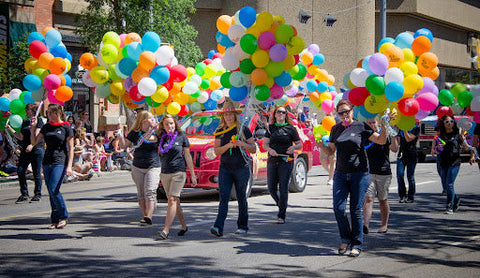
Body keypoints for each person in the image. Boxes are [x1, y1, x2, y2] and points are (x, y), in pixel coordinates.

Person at [317, 99, 387, 257]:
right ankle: (345, 238)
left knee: (355, 210)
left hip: (359, 173)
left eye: (346, 111)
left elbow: (381, 140)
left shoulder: (360, 126)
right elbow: (330, 152)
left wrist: (384, 126)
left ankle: (357, 244)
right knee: (339, 208)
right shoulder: (335, 129)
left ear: (352, 110)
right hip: (341, 174)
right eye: (340, 112)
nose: (344, 115)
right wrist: (321, 145)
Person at [210, 102, 257, 237]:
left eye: (230, 114)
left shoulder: (243, 129)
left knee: (241, 196)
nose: (228, 117)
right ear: (223, 116)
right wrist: (229, 146)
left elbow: (253, 148)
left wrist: (241, 144)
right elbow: (217, 151)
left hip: (241, 168)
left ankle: (242, 225)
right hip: (225, 169)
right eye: (226, 114)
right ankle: (218, 226)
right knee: (223, 197)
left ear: (235, 115)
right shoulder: (220, 131)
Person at [30, 103, 74, 229]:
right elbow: (34, 142)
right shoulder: (46, 127)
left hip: (60, 161)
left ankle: (63, 216)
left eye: (50, 112)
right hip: (47, 161)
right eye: (47, 112)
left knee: (54, 189)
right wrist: (33, 129)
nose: (48, 115)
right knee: (50, 191)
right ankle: (55, 219)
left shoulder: (66, 127)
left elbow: (71, 149)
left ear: (57, 113)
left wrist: (69, 166)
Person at [157, 114, 196, 240]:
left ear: (175, 124)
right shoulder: (160, 138)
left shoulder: (181, 136)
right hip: (165, 173)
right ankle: (184, 226)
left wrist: (193, 174)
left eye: (172, 123)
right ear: (163, 126)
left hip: (178, 172)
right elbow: (147, 141)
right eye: (167, 124)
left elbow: (188, 156)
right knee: (175, 202)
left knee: (172, 200)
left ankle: (166, 230)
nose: (170, 126)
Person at [119, 111, 161, 225]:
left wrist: (156, 129)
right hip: (137, 166)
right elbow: (124, 146)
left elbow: (150, 139)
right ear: (143, 121)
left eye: (153, 118)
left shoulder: (156, 133)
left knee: (150, 191)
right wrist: (119, 135)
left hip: (153, 166)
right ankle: (144, 216)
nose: (152, 120)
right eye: (150, 118)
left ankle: (149, 216)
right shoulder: (135, 132)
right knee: (141, 193)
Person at [262, 106, 303, 224]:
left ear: (286, 115)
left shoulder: (291, 129)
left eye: (283, 112)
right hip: (272, 160)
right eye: (278, 112)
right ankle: (281, 204)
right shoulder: (270, 128)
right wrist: (270, 150)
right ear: (274, 115)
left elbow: (299, 144)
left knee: (283, 187)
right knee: (271, 188)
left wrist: (293, 147)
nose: (280, 114)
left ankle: (281, 215)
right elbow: (265, 144)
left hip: (286, 160)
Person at [362, 116, 398, 234]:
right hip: (370, 172)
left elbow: (394, 149)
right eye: (369, 123)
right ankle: (365, 225)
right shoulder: (366, 136)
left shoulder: (384, 135)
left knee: (382, 200)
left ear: (377, 123)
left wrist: (392, 135)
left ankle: (384, 224)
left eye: (373, 122)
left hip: (384, 172)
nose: (372, 124)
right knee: (368, 198)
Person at [6, 103, 45, 203]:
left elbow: (37, 136)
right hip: (25, 149)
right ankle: (24, 193)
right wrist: (10, 129)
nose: (26, 112)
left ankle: (37, 194)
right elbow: (21, 137)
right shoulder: (25, 122)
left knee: (36, 172)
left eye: (27, 110)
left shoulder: (39, 121)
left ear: (33, 111)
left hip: (36, 149)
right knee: (20, 170)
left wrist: (33, 127)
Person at [436, 115, 474, 214]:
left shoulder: (457, 134)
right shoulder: (441, 134)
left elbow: (466, 148)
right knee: (445, 186)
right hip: (443, 162)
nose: (450, 123)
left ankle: (449, 206)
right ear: (443, 124)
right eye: (447, 122)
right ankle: (455, 199)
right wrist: (439, 147)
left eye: (451, 121)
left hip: (454, 162)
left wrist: (462, 138)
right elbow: (438, 149)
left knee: (449, 184)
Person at [396, 121, 420, 203]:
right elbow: (398, 142)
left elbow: (408, 138)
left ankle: (411, 196)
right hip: (402, 154)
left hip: (412, 155)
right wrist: (394, 133)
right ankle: (402, 195)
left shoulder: (416, 128)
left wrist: (405, 129)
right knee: (400, 175)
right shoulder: (401, 129)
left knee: (410, 176)